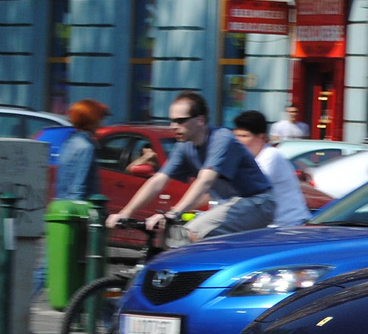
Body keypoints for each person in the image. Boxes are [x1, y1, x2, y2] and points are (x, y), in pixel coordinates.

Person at [107, 91, 274, 243]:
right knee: (173, 235)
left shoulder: (221, 138)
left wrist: (173, 213)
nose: (173, 126)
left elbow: (204, 182)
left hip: (258, 202)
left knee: (190, 233)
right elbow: (158, 180)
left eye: (180, 121)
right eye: (172, 121)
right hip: (231, 204)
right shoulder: (184, 146)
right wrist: (125, 213)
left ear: (200, 120)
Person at [35, 99, 108, 295]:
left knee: (51, 267)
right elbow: (79, 187)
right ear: (91, 120)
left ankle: (18, 307)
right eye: (99, 118)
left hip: (60, 211)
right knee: (85, 270)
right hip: (75, 216)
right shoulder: (86, 148)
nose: (102, 122)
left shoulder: (69, 144)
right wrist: (83, 219)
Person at [231, 110, 310, 227]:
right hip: (269, 227)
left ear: (261, 137)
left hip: (289, 226)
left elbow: (249, 188)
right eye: (236, 136)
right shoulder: (246, 160)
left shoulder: (270, 155)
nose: (238, 141)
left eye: (244, 136)